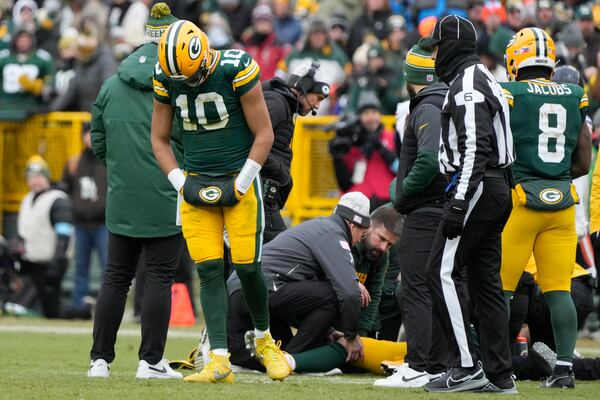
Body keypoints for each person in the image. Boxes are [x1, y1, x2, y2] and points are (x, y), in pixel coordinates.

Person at [151, 19, 289, 383]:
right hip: (196, 183)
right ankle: (219, 358)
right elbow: (160, 140)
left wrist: (242, 183)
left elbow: (264, 134)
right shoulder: (166, 75)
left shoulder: (235, 67)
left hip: (237, 180)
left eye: (191, 76)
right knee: (209, 271)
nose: (186, 83)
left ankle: (264, 341)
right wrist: (181, 182)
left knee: (247, 267)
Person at [87, 3, 184, 380]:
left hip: (123, 196)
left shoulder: (112, 84)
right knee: (159, 277)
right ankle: (151, 361)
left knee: (115, 277)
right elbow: (188, 141)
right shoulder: (177, 85)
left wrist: (122, 170)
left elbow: (98, 140)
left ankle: (99, 360)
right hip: (166, 194)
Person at [419, 15, 515, 393]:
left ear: (453, 46)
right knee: (485, 282)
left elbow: (477, 146)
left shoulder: (468, 83)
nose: (435, 55)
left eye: (438, 47)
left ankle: (464, 366)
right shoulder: (484, 77)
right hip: (496, 185)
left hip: (476, 184)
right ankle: (499, 373)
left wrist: (459, 204)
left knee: (438, 272)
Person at [499, 27, 591, 389]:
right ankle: (564, 369)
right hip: (562, 203)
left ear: (515, 59)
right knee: (558, 290)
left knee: (502, 290)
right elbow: (583, 160)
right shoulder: (574, 93)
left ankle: (494, 364)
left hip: (521, 200)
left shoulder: (509, 92)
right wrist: (554, 176)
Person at [226, 192, 372, 371]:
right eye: (362, 234)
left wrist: (329, 332)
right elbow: (349, 293)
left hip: (242, 290)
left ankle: (245, 356)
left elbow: (302, 295)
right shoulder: (334, 234)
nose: (358, 242)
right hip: (264, 289)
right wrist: (351, 337)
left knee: (278, 346)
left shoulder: (319, 227)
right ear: (352, 225)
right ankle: (289, 361)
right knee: (334, 294)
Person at [375, 43, 449, 388]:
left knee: (414, 287)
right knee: (430, 287)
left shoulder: (428, 106)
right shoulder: (439, 102)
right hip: (439, 206)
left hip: (427, 208)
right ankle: (433, 363)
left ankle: (420, 363)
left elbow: (430, 159)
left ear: (411, 75)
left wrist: (403, 193)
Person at [261, 61, 329, 242]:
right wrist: (282, 175)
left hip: (263, 196)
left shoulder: (280, 104)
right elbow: (249, 144)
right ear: (304, 87)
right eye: (318, 98)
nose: (317, 106)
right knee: (281, 252)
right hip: (259, 197)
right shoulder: (277, 104)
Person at [16, 155, 73, 319]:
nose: (34, 181)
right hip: (29, 264)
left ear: (47, 177)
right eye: (31, 177)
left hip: (49, 264)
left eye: (39, 176)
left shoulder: (58, 200)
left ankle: (83, 312)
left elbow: (64, 235)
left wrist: (57, 263)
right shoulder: (27, 199)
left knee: (51, 310)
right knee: (33, 308)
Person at [61, 122, 107, 313]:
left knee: (109, 268)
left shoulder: (107, 161)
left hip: (104, 224)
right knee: (81, 268)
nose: (89, 138)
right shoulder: (73, 163)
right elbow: (66, 189)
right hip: (80, 224)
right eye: (86, 134)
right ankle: (78, 307)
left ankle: (107, 307)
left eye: (92, 134)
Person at [329, 92, 397, 211]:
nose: (371, 117)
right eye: (366, 113)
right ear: (359, 117)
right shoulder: (352, 140)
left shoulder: (391, 137)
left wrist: (380, 147)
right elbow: (344, 182)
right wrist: (337, 157)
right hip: (358, 199)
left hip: (387, 198)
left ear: (380, 114)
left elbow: (400, 169)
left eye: (374, 112)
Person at [0, 29, 54, 121]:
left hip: (31, 107)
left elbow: (51, 83)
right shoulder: (3, 58)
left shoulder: (42, 59)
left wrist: (40, 87)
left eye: (26, 39)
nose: (24, 42)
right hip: (5, 106)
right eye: (21, 39)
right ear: (15, 40)